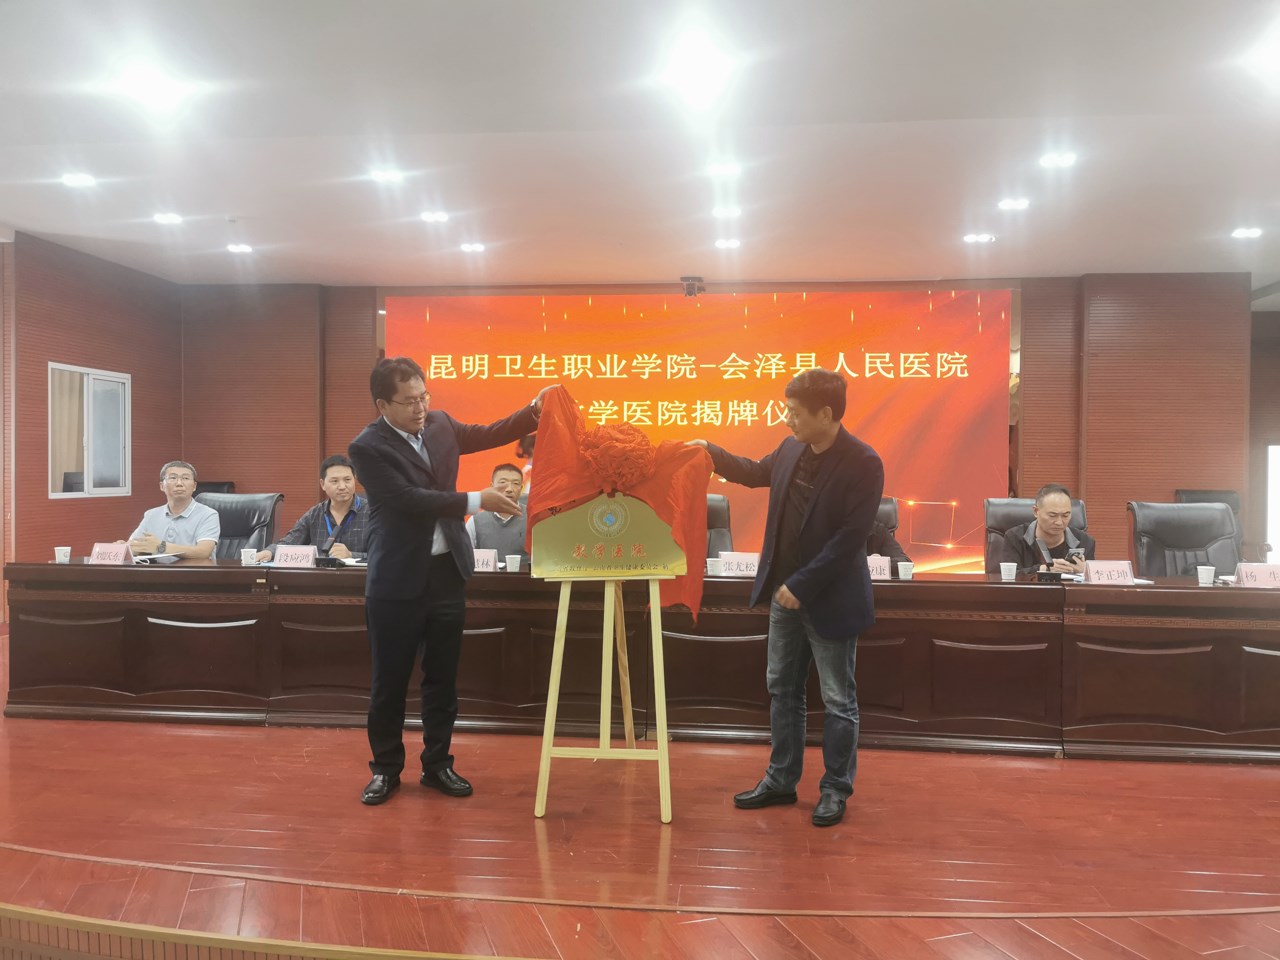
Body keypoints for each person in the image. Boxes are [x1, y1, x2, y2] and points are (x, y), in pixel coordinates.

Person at [348, 357, 555, 806]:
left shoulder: (440, 423)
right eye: (409, 402)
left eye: (424, 396)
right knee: (389, 681)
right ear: (383, 405)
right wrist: (477, 499)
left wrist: (532, 412)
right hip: (396, 579)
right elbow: (408, 499)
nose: (420, 408)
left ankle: (438, 764)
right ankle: (385, 769)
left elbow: (488, 433)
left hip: (446, 573)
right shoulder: (367, 447)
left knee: (442, 679)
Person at [689, 369, 884, 827]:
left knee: (838, 699)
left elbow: (850, 538)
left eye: (795, 412)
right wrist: (710, 451)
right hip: (784, 595)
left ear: (826, 414)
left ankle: (835, 788)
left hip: (830, 600)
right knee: (782, 690)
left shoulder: (863, 462)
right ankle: (781, 779)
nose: (787, 419)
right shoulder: (791, 448)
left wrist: (803, 584)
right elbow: (755, 472)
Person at [254, 455, 368, 562]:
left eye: (347, 480)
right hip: (321, 575)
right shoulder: (315, 514)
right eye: (334, 481)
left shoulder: (372, 512)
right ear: (322, 484)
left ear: (354, 480)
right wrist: (270, 552)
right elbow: (290, 542)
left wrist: (351, 555)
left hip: (359, 576)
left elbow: (379, 554)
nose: (342, 486)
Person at [124, 460, 220, 559]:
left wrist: (161, 546)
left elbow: (203, 552)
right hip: (158, 568)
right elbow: (134, 546)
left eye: (185, 478)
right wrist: (124, 547)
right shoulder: (151, 515)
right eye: (173, 478)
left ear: (194, 486)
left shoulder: (208, 515)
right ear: (162, 486)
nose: (179, 483)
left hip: (194, 569)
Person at [1001, 483, 1096, 575]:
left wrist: (1086, 572)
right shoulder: (1015, 537)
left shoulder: (1085, 541)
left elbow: (1095, 581)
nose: (1059, 522)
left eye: (1065, 515)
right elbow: (1008, 576)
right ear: (1036, 511)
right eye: (1052, 515)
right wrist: (1042, 569)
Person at [465, 463, 528, 562]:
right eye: (503, 482)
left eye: (516, 483)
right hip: (486, 572)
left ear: (521, 488)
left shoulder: (533, 518)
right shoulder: (475, 520)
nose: (509, 489)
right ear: (492, 487)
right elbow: (465, 556)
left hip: (524, 572)